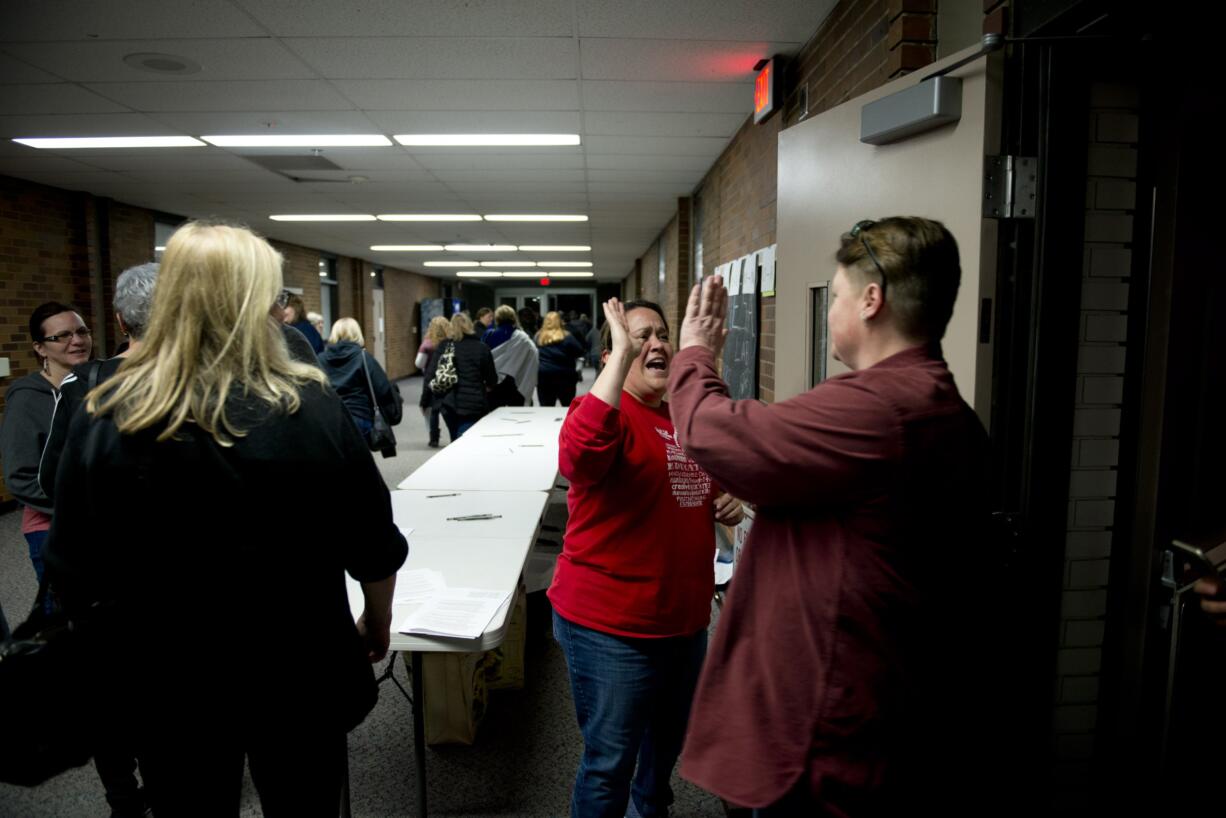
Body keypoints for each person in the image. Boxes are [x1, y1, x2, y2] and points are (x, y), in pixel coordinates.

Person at [43, 221, 407, 816]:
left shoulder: (106, 411)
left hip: (166, 681)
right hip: (298, 671)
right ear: (260, 301)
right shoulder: (310, 405)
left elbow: (71, 568)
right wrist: (377, 621)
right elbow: (371, 542)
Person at [668, 217, 989, 815]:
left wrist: (696, 354)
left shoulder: (881, 406)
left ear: (872, 300)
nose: (832, 307)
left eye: (836, 294)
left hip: (828, 736)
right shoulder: (941, 408)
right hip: (880, 713)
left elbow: (712, 434)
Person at [548, 297, 743, 818]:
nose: (655, 344)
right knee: (609, 764)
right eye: (638, 337)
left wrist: (727, 499)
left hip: (682, 623)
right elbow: (580, 458)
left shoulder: (680, 417)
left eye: (661, 334)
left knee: (661, 763)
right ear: (614, 354)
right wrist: (616, 358)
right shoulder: (602, 415)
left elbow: (704, 480)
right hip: (610, 628)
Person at [35, 263, 158, 817]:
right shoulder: (215, 387)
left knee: (109, 690)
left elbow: (50, 479)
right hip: (178, 578)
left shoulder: (84, 385)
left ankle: (123, 798)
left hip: (101, 578)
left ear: (116, 319)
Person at [0, 301, 93, 585]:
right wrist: (79, 509)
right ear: (40, 348)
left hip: (103, 523)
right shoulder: (27, 399)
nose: (76, 341)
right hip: (53, 530)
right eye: (61, 336)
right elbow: (20, 478)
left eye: (82, 331)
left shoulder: (99, 385)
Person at [318, 317, 403, 440]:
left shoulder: (320, 359)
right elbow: (382, 388)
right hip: (359, 416)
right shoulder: (363, 357)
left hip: (330, 418)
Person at [438, 312, 497, 439]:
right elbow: (492, 379)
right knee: (467, 441)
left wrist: (427, 400)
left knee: (454, 440)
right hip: (473, 403)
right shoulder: (482, 348)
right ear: (470, 326)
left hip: (449, 402)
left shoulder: (445, 346)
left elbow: (432, 374)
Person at [487, 306, 538, 407]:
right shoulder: (522, 338)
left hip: (494, 384)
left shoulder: (488, 335)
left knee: (495, 418)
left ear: (497, 319)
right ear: (514, 318)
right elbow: (533, 356)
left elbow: (483, 358)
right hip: (516, 383)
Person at [535, 310, 586, 407]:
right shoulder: (567, 336)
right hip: (565, 375)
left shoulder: (538, 336)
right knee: (567, 406)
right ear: (559, 321)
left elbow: (533, 353)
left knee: (546, 407)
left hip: (544, 375)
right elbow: (579, 351)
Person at [416, 316, 452, 447]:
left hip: (431, 379)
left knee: (432, 410)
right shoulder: (452, 342)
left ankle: (434, 437)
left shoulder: (427, 344)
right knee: (449, 408)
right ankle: (455, 435)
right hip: (448, 379)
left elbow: (419, 364)